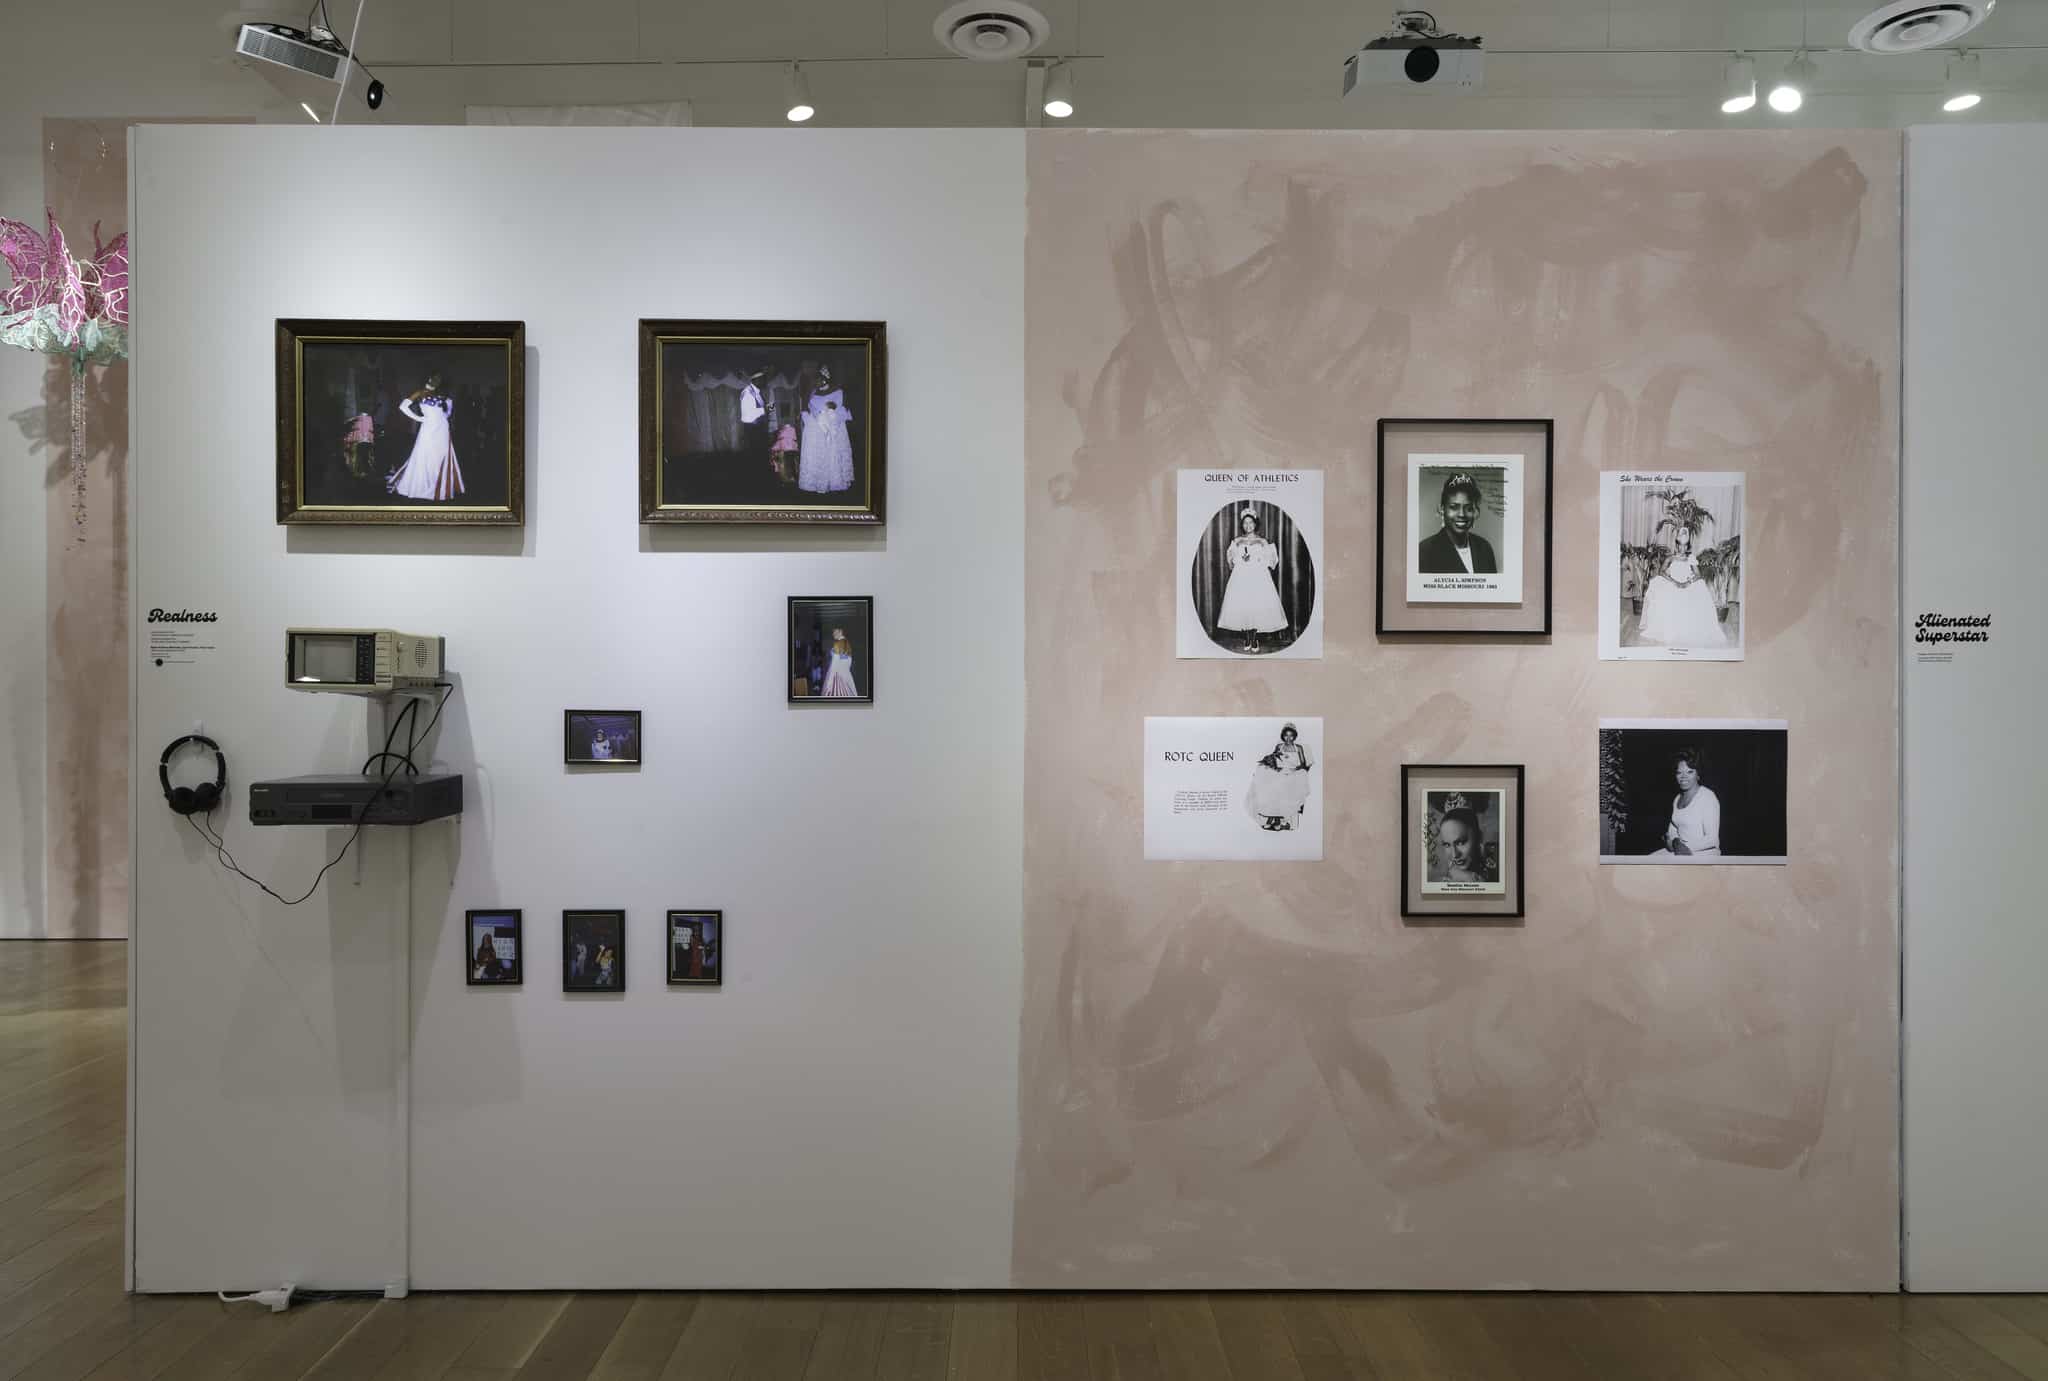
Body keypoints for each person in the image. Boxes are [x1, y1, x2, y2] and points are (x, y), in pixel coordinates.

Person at [1213, 508, 1291, 653]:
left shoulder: (1262, 541)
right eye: (1245, 523)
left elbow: (1271, 561)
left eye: (1250, 523)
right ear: (1242, 525)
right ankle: (1247, 638)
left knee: (1256, 604)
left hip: (1258, 575)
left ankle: (1254, 638)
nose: (1248, 526)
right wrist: (1240, 559)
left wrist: (1258, 559)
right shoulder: (1237, 541)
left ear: (1255, 524)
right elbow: (1231, 561)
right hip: (1241, 575)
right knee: (1244, 605)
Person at [1636, 528, 1729, 646]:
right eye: (1680, 545)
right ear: (1677, 545)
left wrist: (1687, 583)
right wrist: (1674, 582)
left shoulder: (1691, 558)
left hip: (1687, 584)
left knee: (1699, 590)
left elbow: (1698, 575)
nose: (1682, 548)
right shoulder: (1670, 558)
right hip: (1672, 583)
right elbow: (1661, 572)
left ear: (1688, 546)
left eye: (1685, 546)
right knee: (1663, 595)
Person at [387, 372, 465, 502]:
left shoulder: (442, 396)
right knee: (424, 454)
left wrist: (444, 415)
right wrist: (420, 418)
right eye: (434, 378)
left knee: (440, 455)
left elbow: (448, 412)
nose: (436, 380)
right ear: (428, 379)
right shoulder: (420, 392)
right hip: (428, 429)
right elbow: (403, 407)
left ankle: (437, 485)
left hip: (442, 429)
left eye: (439, 379)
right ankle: (420, 487)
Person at [1416, 473, 1497, 575]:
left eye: (1468, 508)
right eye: (1454, 507)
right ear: (1441, 509)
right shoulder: (1424, 551)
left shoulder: (1484, 548)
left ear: (1475, 511)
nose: (1462, 514)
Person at [1649, 750, 1721, 859]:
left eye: (1690, 772)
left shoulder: (1707, 797)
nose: (1683, 777)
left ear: (1698, 774)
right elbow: (1673, 830)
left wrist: (1679, 846)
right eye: (1679, 772)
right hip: (1679, 851)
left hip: (1704, 854)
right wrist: (1671, 840)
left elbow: (1712, 840)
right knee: (1648, 860)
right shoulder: (1677, 798)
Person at [797, 365, 855, 494]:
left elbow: (843, 409)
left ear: (824, 379)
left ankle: (835, 481)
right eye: (813, 380)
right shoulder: (812, 394)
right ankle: (818, 480)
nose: (814, 382)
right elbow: (806, 409)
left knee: (834, 454)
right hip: (817, 429)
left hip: (834, 427)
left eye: (816, 379)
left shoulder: (838, 392)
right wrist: (811, 419)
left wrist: (831, 418)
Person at [1244, 723, 1313, 830]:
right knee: (1268, 785)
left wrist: (1294, 770)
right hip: (1280, 772)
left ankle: (1279, 820)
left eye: (1291, 735)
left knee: (1283, 786)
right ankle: (1271, 818)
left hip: (1293, 773)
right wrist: (1271, 767)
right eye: (1286, 735)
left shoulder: (1299, 748)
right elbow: (1273, 760)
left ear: (1294, 736)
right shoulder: (1279, 747)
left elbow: (1304, 764)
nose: (1288, 738)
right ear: (1283, 736)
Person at [1432, 799, 1498, 884]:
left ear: (1479, 837)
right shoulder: (1449, 880)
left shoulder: (1499, 857)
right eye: (1447, 844)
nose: (1454, 855)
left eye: (1460, 843)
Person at [820, 627, 860, 698]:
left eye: (835, 632)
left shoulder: (837, 644)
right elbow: (848, 661)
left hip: (837, 677)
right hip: (847, 676)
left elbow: (834, 664)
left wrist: (829, 681)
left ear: (841, 632)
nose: (833, 634)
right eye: (833, 632)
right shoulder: (847, 643)